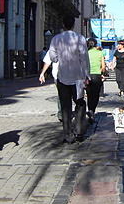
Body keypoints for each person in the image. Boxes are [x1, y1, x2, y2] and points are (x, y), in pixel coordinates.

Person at [39, 15, 90, 144]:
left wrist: (59, 59)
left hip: (62, 76)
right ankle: (79, 131)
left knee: (65, 106)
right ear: (73, 25)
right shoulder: (80, 39)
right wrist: (86, 75)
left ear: (63, 24)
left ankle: (68, 134)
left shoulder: (56, 39)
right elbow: (84, 58)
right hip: (78, 77)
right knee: (80, 103)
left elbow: (52, 56)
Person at [86, 38, 106, 122]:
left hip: (87, 76)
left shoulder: (86, 53)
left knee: (89, 94)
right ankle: (92, 110)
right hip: (97, 76)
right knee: (95, 95)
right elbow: (103, 67)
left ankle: (90, 109)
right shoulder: (100, 53)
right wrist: (102, 72)